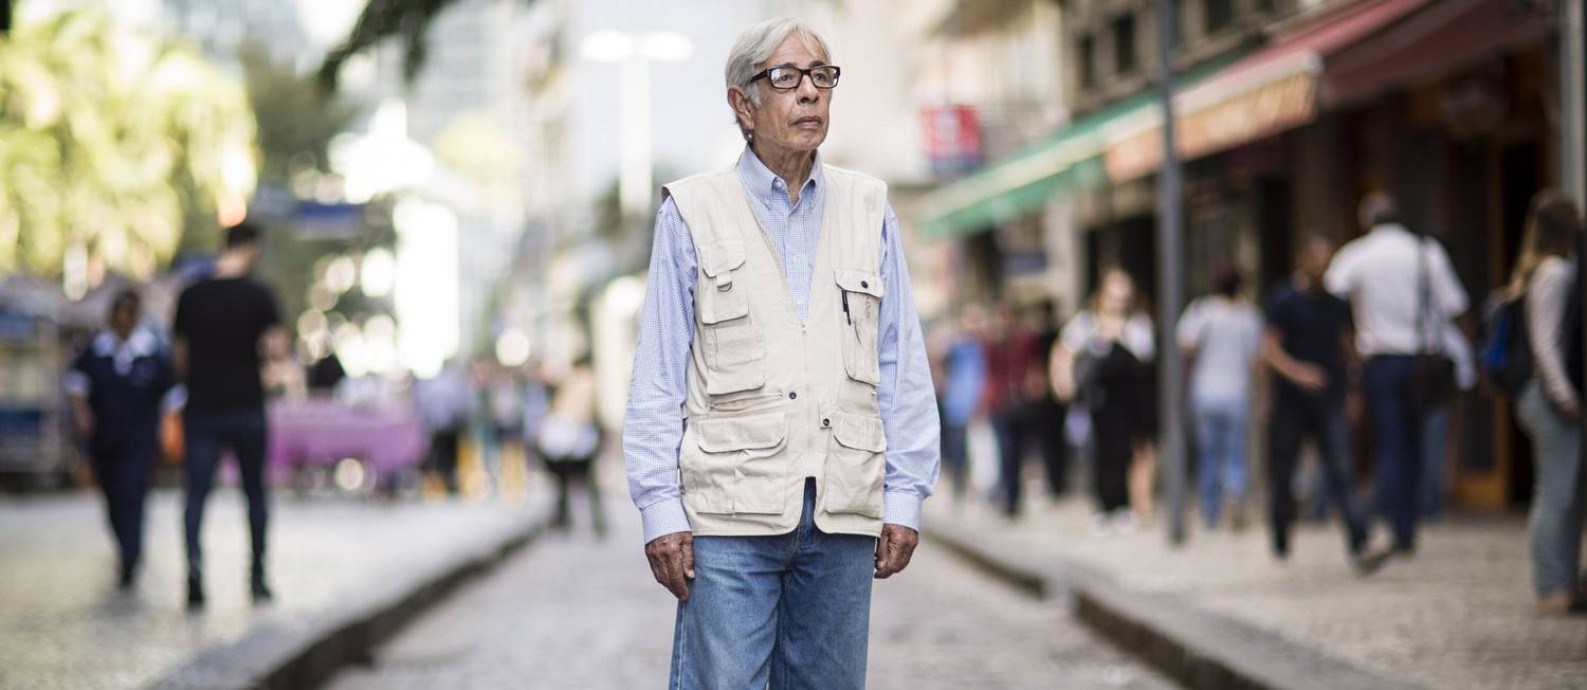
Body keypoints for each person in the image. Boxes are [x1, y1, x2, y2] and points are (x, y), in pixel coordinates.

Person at [622, 18, 939, 688]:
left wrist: (904, 496)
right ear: (742, 103)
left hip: (842, 507)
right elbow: (657, 374)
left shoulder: (869, 207)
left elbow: (900, 363)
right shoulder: (691, 211)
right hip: (726, 514)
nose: (809, 94)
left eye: (821, 77)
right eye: (786, 78)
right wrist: (660, 510)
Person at [1325, 193, 1468, 556]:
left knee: (1390, 444)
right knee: (1418, 442)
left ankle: (1395, 522)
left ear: (1366, 220)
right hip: (1422, 360)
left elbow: (1329, 295)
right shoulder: (1426, 252)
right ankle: (1413, 520)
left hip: (1380, 361)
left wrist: (1349, 348)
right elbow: (1454, 306)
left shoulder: (1357, 254)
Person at [172, 222, 286, 607]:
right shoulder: (259, 295)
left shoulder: (191, 296)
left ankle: (194, 570)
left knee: (196, 494)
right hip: (246, 406)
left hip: (202, 407)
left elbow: (180, 357)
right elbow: (275, 350)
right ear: (253, 247)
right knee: (254, 494)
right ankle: (256, 578)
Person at [1264, 238, 1388, 574]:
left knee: (1343, 470)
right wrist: (1299, 373)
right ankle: (1280, 544)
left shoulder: (1336, 304)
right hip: (1290, 403)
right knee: (1283, 475)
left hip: (1329, 400)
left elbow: (1347, 347)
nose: (1321, 268)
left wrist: (1354, 390)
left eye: (1326, 262)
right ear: (1302, 261)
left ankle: (1360, 543)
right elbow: (1270, 350)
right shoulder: (1284, 300)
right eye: (1316, 261)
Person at [65, 289, 180, 589]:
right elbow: (76, 384)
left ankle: (132, 554)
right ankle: (125, 547)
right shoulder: (96, 352)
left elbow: (172, 397)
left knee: (134, 494)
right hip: (105, 440)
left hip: (139, 441)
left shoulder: (152, 354)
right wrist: (82, 414)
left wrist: (167, 431)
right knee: (114, 498)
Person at [1506, 192, 1585, 615]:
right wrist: (1565, 394)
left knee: (1566, 492)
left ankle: (1563, 582)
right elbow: (1545, 342)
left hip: (1544, 394)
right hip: (1550, 397)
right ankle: (1551, 585)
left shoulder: (1538, 269)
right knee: (1556, 492)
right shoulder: (1554, 272)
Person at [1052, 270, 1155, 531]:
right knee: (1099, 455)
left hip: (1129, 404)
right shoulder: (1086, 324)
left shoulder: (1137, 326)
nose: (1118, 303)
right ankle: (1105, 506)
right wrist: (1063, 382)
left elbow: (1145, 360)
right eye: (1113, 296)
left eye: (1123, 297)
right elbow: (1063, 352)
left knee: (1128, 454)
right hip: (1097, 403)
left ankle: (1128, 506)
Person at [1177, 267, 1262, 530]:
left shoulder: (1202, 311)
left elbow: (1186, 346)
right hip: (1237, 391)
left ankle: (1211, 513)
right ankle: (1235, 493)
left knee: (1208, 454)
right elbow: (1256, 359)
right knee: (1235, 453)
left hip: (1205, 392)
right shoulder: (1249, 316)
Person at [536, 358, 606, 535]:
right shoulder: (585, 382)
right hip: (580, 438)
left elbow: (560, 407)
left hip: (572, 438)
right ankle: (595, 523)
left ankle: (568, 521)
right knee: (586, 483)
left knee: (568, 483)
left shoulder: (574, 382)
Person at [985, 305, 1042, 518]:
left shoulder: (1025, 341)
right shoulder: (992, 344)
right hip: (1000, 405)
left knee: (1019, 452)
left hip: (1021, 403)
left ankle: (1015, 496)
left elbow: (1033, 366)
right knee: (1006, 451)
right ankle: (1009, 497)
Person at [937, 305, 988, 502]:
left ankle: (976, 487)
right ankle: (959, 487)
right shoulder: (955, 346)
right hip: (957, 405)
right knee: (957, 450)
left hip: (977, 404)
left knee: (978, 450)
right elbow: (938, 356)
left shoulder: (982, 346)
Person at [415, 360, 474, 496]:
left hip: (447, 426)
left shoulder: (447, 382)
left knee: (445, 456)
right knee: (441, 456)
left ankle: (444, 483)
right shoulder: (447, 382)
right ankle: (439, 484)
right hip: (441, 426)